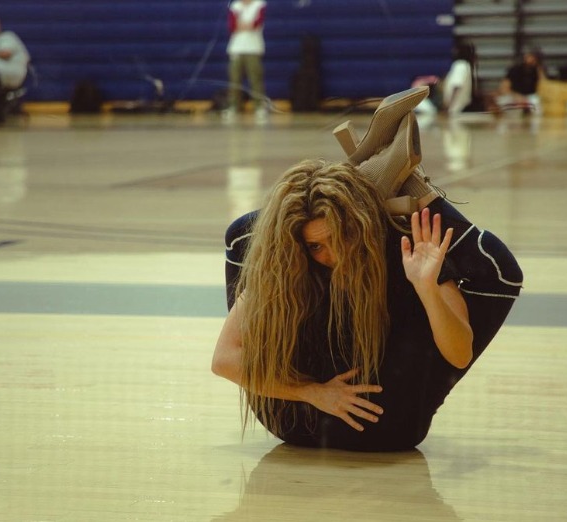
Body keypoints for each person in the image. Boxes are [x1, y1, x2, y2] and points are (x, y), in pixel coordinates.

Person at [213, 88, 523, 452]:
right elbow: (224, 360)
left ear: (355, 227)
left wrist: (426, 286)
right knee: (499, 271)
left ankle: (361, 181)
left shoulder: (400, 254)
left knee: (244, 235)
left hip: (368, 420)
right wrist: (312, 392)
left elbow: (458, 352)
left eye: (339, 236)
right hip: (338, 421)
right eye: (315, 246)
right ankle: (396, 185)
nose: (332, 255)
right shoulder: (289, 263)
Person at [223, 0, 267, 124]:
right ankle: (234, 107)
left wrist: (245, 25)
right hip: (236, 48)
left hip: (253, 48)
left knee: (255, 79)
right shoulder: (235, 6)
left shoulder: (259, 4)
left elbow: (257, 23)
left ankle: (259, 108)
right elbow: (232, 26)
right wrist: (244, 25)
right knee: (234, 79)